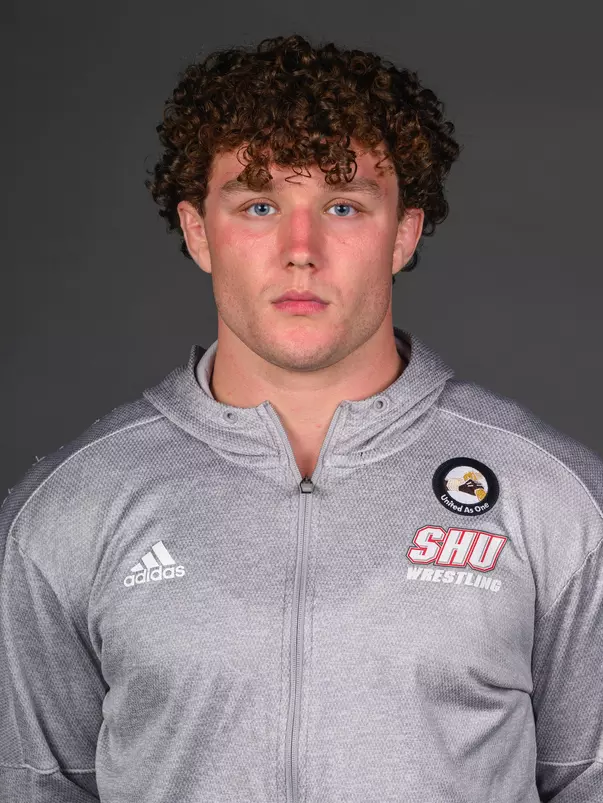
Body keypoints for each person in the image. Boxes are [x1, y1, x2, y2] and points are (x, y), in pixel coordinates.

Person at [1, 33, 601, 803]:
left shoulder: (550, 497)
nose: (300, 249)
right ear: (197, 232)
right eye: (258, 205)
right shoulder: (70, 509)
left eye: (343, 205)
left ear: (403, 232)